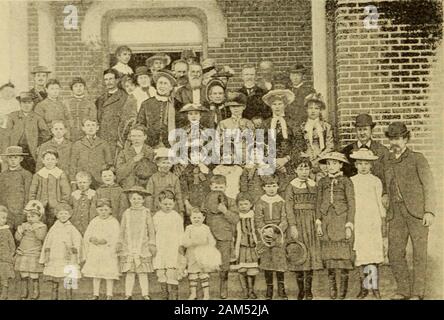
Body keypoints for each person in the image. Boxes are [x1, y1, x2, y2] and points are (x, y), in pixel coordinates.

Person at [384, 122, 435, 300]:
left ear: (406, 139)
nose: (395, 142)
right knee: (394, 253)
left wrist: (429, 211)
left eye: (398, 138)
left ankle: (417, 293)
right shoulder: (387, 160)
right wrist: (384, 194)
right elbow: (386, 183)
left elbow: (429, 185)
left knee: (419, 253)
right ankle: (403, 290)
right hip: (395, 213)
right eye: (392, 139)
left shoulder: (417, 158)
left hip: (417, 213)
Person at [315, 151, 355, 300]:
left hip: (341, 220)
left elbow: (351, 203)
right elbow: (318, 202)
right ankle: (333, 288)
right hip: (326, 221)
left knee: (343, 257)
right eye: (329, 163)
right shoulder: (322, 182)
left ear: (340, 165)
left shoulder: (346, 181)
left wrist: (349, 224)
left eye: (334, 163)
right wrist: (318, 222)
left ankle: (343, 292)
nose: (331, 166)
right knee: (329, 257)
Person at [349, 149, 385, 300]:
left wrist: (382, 219)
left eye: (366, 164)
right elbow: (351, 203)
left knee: (373, 255)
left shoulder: (376, 181)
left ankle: (374, 286)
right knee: (362, 254)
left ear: (371, 165)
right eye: (360, 163)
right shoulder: (351, 181)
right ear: (356, 165)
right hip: (359, 219)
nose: (363, 166)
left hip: (372, 219)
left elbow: (379, 202)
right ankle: (364, 287)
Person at [285, 157, 322, 300]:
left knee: (311, 256)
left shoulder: (314, 185)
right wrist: (293, 225)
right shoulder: (291, 186)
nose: (304, 171)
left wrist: (318, 223)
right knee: (299, 254)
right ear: (295, 170)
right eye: (300, 168)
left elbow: (318, 204)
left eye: (306, 168)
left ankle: (309, 290)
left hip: (311, 223)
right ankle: (300, 290)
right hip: (298, 223)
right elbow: (288, 207)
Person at [201, 174, 239, 299]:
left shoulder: (231, 201)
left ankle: (223, 288)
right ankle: (206, 291)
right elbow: (201, 217)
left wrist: (225, 211)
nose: (218, 189)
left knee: (224, 264)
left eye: (221, 187)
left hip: (224, 235)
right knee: (206, 263)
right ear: (211, 186)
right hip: (209, 236)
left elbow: (235, 219)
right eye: (215, 187)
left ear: (226, 187)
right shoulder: (206, 200)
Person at [262, 89, 306, 192]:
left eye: (280, 104)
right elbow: (260, 143)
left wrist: (286, 159)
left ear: (284, 105)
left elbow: (299, 143)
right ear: (271, 106)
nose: (277, 107)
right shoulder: (265, 123)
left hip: (289, 162)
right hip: (270, 162)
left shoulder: (292, 123)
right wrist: (272, 160)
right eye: (274, 104)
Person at [118, 186, 156, 300]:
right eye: (134, 199)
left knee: (142, 272)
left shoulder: (146, 212)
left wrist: (152, 243)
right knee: (130, 272)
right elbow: (122, 229)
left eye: (139, 199)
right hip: (129, 245)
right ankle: (128, 294)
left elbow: (151, 229)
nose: (136, 201)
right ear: (130, 199)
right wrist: (120, 242)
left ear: (143, 200)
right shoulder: (127, 213)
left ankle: (145, 294)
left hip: (142, 245)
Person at [39, 203, 83, 300]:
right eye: (61, 214)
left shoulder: (72, 229)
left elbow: (77, 241)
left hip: (68, 258)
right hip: (55, 258)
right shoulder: (53, 229)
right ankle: (54, 297)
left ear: (69, 215)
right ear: (57, 215)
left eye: (65, 214)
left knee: (69, 279)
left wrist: (72, 249)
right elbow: (48, 242)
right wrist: (46, 255)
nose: (63, 216)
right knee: (55, 279)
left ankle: (69, 297)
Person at [254, 175, 288, 300]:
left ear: (278, 186)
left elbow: (285, 219)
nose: (271, 189)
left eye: (274, 186)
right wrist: (265, 231)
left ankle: (281, 289)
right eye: (268, 186)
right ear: (263, 188)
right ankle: (269, 290)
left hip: (278, 234)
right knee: (267, 262)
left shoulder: (282, 201)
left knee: (279, 262)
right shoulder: (260, 202)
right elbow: (258, 219)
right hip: (265, 235)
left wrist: (276, 230)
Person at [341, 114, 390, 197]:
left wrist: (385, 194)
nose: (362, 133)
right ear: (356, 131)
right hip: (355, 195)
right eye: (359, 130)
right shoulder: (347, 151)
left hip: (376, 193)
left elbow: (387, 175)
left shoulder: (382, 151)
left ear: (371, 131)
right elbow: (344, 176)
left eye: (365, 129)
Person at [82, 198, 120, 300]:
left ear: (110, 210)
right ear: (97, 210)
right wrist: (91, 238)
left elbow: (116, 236)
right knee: (96, 273)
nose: (103, 212)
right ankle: (95, 294)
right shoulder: (94, 221)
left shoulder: (114, 222)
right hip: (96, 250)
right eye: (101, 210)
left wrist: (107, 240)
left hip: (108, 251)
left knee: (109, 273)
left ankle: (109, 294)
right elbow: (87, 234)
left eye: (106, 210)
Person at [7, 92, 51, 173]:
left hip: (31, 151)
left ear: (33, 104)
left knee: (31, 172)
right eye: (24, 102)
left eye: (29, 103)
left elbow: (46, 133)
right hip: (16, 150)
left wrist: (38, 144)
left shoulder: (37, 118)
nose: (26, 105)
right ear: (20, 104)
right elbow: (7, 134)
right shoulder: (12, 116)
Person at [182, 208, 221, 300]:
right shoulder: (189, 228)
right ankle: (193, 293)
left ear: (203, 218)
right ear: (190, 218)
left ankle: (206, 294)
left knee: (204, 273)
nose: (196, 219)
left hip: (203, 253)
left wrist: (209, 245)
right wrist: (192, 242)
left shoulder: (206, 228)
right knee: (192, 274)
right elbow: (184, 241)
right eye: (194, 217)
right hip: (192, 254)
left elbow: (212, 240)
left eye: (199, 217)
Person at [153, 190, 184, 300]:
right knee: (161, 271)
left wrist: (181, 245)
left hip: (173, 246)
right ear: (160, 203)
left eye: (170, 204)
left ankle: (174, 296)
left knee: (172, 271)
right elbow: (154, 231)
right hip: (161, 245)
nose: (167, 206)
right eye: (165, 204)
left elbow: (181, 232)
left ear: (174, 203)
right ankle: (164, 295)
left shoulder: (176, 216)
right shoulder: (157, 216)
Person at [29, 149, 71, 227]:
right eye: (47, 159)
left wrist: (62, 204)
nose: (50, 161)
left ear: (56, 161)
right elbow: (33, 191)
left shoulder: (60, 174)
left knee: (54, 225)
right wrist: (33, 204)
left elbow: (66, 192)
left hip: (56, 206)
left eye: (52, 159)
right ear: (43, 160)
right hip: (40, 206)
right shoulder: (38, 175)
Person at [14, 200, 47, 300]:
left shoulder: (42, 226)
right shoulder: (24, 225)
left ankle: (35, 291)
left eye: (33, 216)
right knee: (24, 272)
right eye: (28, 216)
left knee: (33, 273)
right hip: (23, 252)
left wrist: (35, 228)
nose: (30, 219)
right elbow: (17, 238)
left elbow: (41, 237)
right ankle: (24, 291)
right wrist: (20, 231)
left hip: (34, 252)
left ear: (39, 217)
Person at [136, 69, 177, 148]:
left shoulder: (177, 105)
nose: (162, 86)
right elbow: (140, 126)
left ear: (171, 87)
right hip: (149, 146)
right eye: (160, 83)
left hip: (171, 147)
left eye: (165, 83)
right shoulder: (146, 104)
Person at [71, 118, 113, 188]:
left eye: (93, 125)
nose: (91, 128)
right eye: (88, 125)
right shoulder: (77, 144)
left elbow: (109, 163)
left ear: (97, 128)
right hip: (83, 180)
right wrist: (73, 180)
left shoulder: (104, 143)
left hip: (100, 180)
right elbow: (73, 164)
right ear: (83, 128)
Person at [95, 69, 128, 157]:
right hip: (102, 137)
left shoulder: (124, 97)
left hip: (116, 139)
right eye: (106, 79)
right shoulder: (100, 99)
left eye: (111, 79)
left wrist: (121, 139)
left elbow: (126, 121)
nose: (108, 82)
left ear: (117, 80)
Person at [0, 146, 33, 230]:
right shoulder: (3, 175)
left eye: (16, 157)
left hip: (20, 211)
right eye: (10, 157)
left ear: (21, 159)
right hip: (6, 211)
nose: (13, 160)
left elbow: (28, 193)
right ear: (7, 159)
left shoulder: (26, 174)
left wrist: (26, 209)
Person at [234, 192, 259, 299]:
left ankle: (251, 290)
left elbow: (256, 230)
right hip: (241, 246)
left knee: (252, 269)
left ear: (251, 204)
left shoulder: (254, 215)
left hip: (252, 246)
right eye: (241, 204)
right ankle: (244, 290)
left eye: (246, 204)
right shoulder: (236, 217)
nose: (243, 206)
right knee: (242, 269)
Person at [146, 148, 184, 216]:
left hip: (171, 210)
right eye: (163, 163)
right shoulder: (153, 178)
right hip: (156, 210)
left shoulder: (174, 178)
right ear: (158, 164)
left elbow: (178, 195)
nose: (166, 165)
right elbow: (149, 196)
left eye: (168, 163)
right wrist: (149, 211)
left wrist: (181, 211)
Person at [116, 125, 156, 189]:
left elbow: (155, 172)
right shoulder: (123, 153)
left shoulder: (151, 152)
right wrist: (133, 161)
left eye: (139, 136)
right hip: (129, 187)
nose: (136, 138)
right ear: (130, 137)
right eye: (133, 136)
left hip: (147, 187)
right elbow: (119, 173)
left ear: (145, 137)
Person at [300, 93, 334, 168]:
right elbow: (299, 145)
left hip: (322, 159)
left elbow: (330, 146)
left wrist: (319, 157)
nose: (313, 111)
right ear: (306, 109)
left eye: (316, 108)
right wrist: (306, 156)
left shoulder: (326, 127)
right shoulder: (302, 127)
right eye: (310, 108)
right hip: (306, 160)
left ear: (320, 110)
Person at [118, 76, 149, 147]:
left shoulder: (138, 96)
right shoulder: (128, 98)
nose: (129, 88)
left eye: (132, 85)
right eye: (126, 86)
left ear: (136, 85)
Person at [175, 63, 208, 127]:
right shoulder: (180, 91)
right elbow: (177, 111)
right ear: (188, 73)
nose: (195, 74)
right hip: (185, 125)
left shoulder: (207, 90)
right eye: (193, 72)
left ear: (201, 74)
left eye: (198, 72)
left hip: (204, 125)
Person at [65, 77, 97, 142]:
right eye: (75, 86)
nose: (78, 88)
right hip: (69, 136)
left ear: (84, 87)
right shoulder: (66, 103)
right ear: (72, 88)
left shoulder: (90, 103)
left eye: (81, 86)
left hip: (85, 136)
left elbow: (93, 120)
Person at [0, 82, 20, 166]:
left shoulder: (15, 103)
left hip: (11, 132)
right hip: (1, 129)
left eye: (10, 91)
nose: (8, 94)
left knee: (8, 152)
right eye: (6, 91)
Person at [0, 207, 15, 300]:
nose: (3, 220)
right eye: (1, 217)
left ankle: (4, 293)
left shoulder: (7, 231)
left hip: (4, 258)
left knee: (4, 275)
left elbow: (12, 244)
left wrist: (11, 254)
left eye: (4, 218)